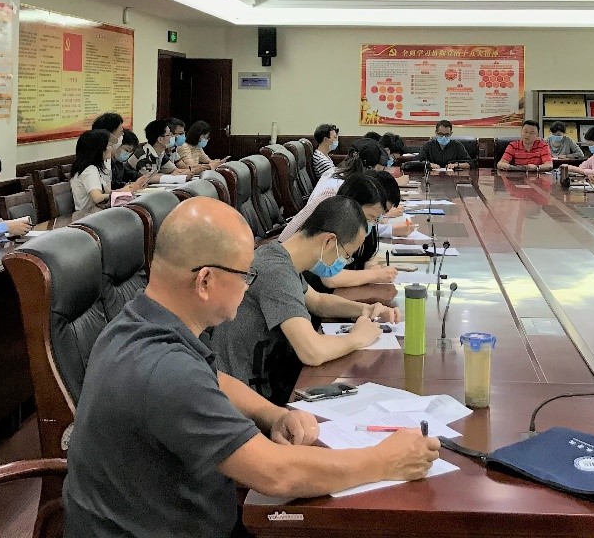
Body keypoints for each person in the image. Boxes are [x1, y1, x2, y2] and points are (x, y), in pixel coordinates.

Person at [62, 197, 438, 538]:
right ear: (205, 280)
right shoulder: (166, 370)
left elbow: (214, 379)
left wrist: (273, 415)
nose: (248, 287)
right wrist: (384, 460)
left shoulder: (136, 322)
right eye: (245, 275)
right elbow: (277, 474)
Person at [210, 196, 401, 404]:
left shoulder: (279, 256)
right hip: (248, 399)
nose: (344, 262)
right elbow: (312, 351)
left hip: (268, 384)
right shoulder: (276, 271)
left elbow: (318, 302)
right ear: (329, 241)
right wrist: (357, 338)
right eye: (347, 255)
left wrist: (366, 309)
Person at [70, 129, 148, 212]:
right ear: (99, 149)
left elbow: (108, 191)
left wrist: (131, 187)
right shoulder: (89, 170)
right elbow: (97, 198)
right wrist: (122, 192)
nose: (111, 148)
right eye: (109, 145)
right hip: (88, 216)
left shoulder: (95, 168)